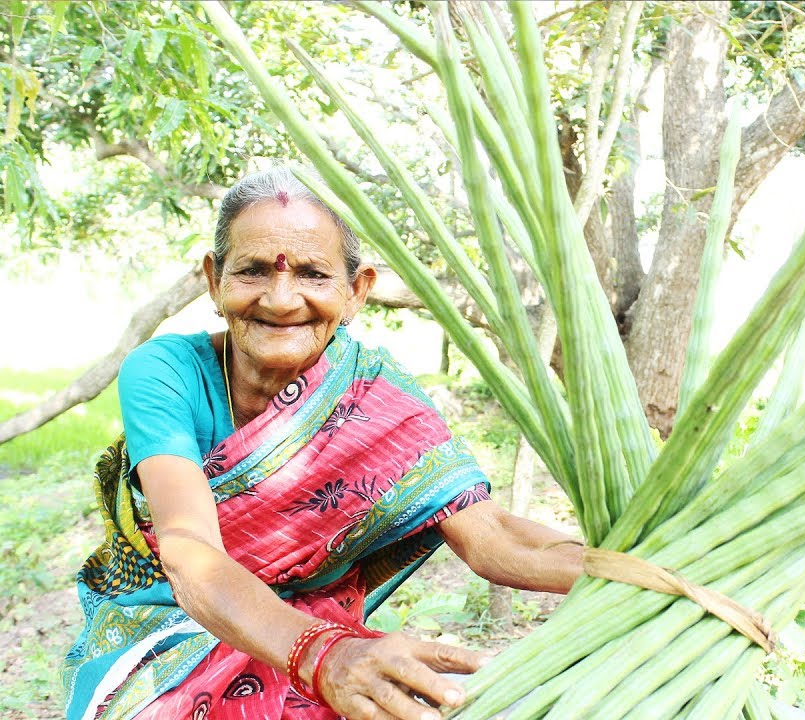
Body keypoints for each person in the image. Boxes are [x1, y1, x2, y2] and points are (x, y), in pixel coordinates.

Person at [62, 167, 584, 720]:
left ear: (357, 291)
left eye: (313, 274)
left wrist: (644, 570)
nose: (282, 299)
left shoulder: (377, 397)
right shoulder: (166, 371)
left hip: (316, 639)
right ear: (214, 282)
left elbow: (493, 538)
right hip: (165, 637)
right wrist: (320, 655)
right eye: (253, 271)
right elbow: (191, 553)